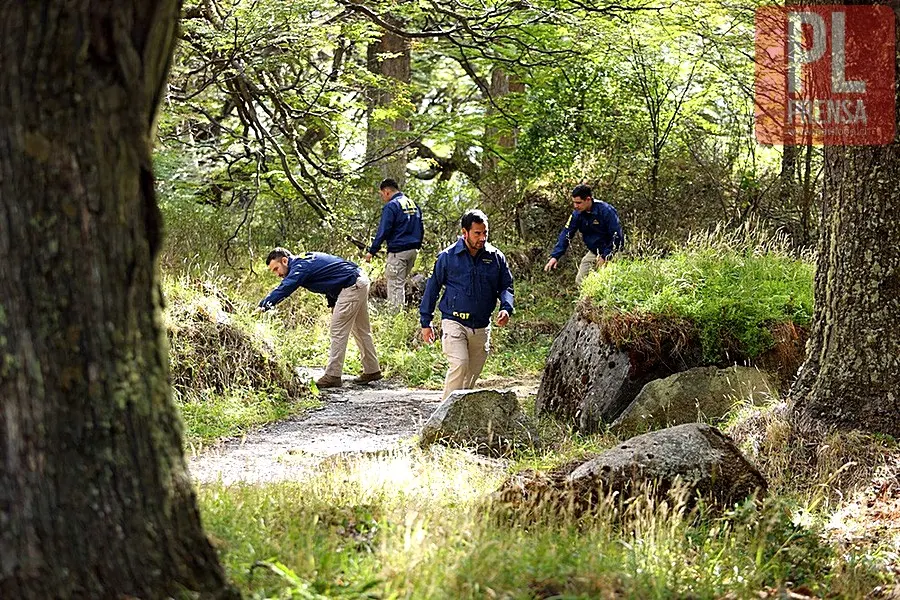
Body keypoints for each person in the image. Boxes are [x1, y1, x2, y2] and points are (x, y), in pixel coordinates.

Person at [419, 209, 514, 400]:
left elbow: (506, 286)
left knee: (469, 378)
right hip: (454, 321)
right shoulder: (447, 257)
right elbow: (433, 288)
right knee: (460, 364)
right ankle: (442, 420)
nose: (482, 238)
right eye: (477, 233)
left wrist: (506, 307)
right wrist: (425, 321)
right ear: (465, 232)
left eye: (485, 232)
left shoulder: (495, 257)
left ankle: (459, 419)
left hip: (481, 326)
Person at [258, 248, 382, 389]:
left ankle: (333, 376)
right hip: (359, 281)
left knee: (338, 331)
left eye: (276, 269)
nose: (277, 274)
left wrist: (264, 305)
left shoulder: (300, 266)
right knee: (361, 330)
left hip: (352, 285)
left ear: (285, 261)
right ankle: (372, 370)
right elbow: (330, 279)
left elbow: (286, 287)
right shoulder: (305, 260)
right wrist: (333, 304)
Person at [544, 184, 624, 286]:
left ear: (588, 199)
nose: (575, 206)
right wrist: (555, 256)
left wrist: (605, 256)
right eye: (574, 202)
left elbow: (617, 236)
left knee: (607, 282)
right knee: (580, 281)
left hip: (612, 251)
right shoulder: (577, 214)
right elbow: (566, 234)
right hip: (594, 251)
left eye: (578, 203)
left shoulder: (606, 211)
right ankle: (587, 301)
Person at [363, 178, 424, 308]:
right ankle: (400, 314)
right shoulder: (413, 204)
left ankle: (395, 320)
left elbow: (384, 230)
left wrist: (371, 251)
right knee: (400, 283)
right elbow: (421, 227)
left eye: (381, 194)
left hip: (399, 252)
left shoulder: (392, 206)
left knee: (395, 286)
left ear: (386, 191)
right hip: (413, 251)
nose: (382, 197)